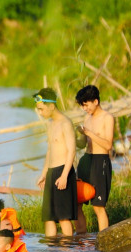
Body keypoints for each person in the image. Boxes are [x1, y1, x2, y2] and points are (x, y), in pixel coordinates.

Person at [34, 88, 78, 237]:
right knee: (48, 217)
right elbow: (49, 151)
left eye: (41, 109)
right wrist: (44, 174)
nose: (40, 112)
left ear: (51, 106)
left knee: (63, 217)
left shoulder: (66, 123)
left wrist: (65, 175)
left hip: (63, 171)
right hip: (52, 172)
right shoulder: (51, 124)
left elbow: (72, 151)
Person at [73, 85, 114, 233]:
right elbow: (83, 144)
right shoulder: (87, 118)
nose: (85, 108)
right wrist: (78, 135)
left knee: (98, 206)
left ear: (96, 101)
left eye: (86, 104)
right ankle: (81, 239)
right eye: (82, 106)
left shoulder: (107, 118)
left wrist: (90, 133)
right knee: (76, 203)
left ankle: (103, 242)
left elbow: (108, 145)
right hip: (86, 160)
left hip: (100, 161)